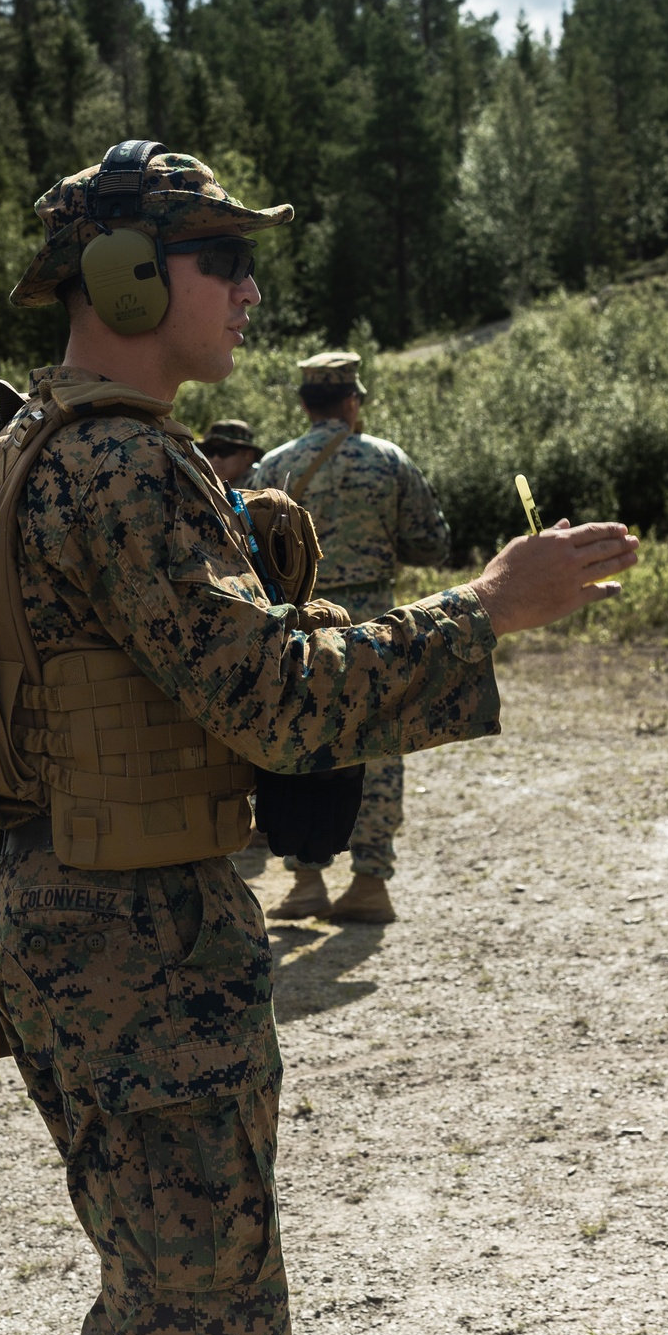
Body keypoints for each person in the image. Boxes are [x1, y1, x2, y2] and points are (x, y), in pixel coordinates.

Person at [0, 140, 637, 1335]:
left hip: (78, 924)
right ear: (129, 274)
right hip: (136, 947)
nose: (252, 290)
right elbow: (270, 700)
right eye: (226, 260)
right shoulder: (124, 467)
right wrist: (487, 606)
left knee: (151, 1310)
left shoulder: (31, 447)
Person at [255, 351, 450, 923]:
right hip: (373, 621)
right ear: (352, 401)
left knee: (297, 737)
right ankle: (370, 882)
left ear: (303, 403)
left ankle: (305, 880)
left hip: (300, 621)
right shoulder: (387, 460)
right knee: (379, 741)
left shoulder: (274, 467)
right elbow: (430, 542)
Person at [198, 417, 264, 485]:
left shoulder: (263, 482)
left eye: (224, 451)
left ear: (248, 456)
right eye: (209, 451)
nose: (215, 459)